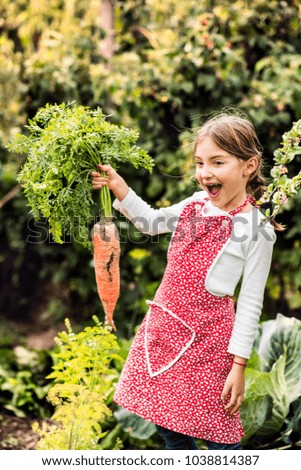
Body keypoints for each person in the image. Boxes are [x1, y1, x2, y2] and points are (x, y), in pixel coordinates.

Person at [91, 112, 278, 450]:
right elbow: (149, 221)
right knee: (166, 422)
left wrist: (238, 365)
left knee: (218, 433)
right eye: (200, 162)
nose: (205, 173)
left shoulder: (257, 229)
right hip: (167, 330)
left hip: (210, 343)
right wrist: (120, 188)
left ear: (249, 165)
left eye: (217, 162)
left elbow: (251, 302)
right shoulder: (194, 205)